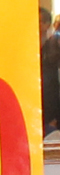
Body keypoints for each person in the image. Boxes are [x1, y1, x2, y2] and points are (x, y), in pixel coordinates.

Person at [40, 7, 60, 135]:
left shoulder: (53, 48)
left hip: (51, 119)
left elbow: (55, 84)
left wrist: (55, 118)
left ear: (46, 25)